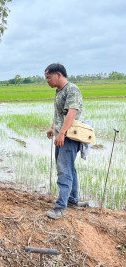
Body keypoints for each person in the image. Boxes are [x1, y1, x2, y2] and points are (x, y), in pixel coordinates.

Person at [45, 63, 88, 220]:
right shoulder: (59, 91)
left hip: (69, 136)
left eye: (49, 78)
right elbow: (59, 115)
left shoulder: (72, 90)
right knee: (69, 168)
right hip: (62, 135)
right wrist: (53, 128)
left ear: (58, 75)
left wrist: (62, 133)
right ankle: (72, 200)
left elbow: (71, 113)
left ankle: (60, 208)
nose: (47, 81)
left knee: (64, 170)